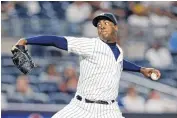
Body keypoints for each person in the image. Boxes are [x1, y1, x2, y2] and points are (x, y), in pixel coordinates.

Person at [13, 12, 161, 118]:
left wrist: (141, 69)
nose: (101, 26)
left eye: (106, 23)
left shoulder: (119, 51)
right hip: (81, 107)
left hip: (109, 110)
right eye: (99, 25)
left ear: (116, 27)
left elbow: (119, 62)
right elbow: (57, 41)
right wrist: (27, 40)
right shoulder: (90, 45)